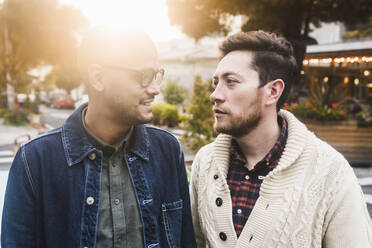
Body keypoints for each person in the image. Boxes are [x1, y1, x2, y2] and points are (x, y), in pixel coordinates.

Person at [1, 27, 196, 248]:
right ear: (98, 77)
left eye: (157, 75)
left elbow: (185, 240)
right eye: (144, 77)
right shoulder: (35, 161)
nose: (155, 89)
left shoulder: (167, 150)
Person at [190, 30, 372, 247]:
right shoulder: (205, 162)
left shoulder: (331, 172)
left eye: (230, 82)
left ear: (273, 91)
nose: (215, 94)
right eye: (216, 83)